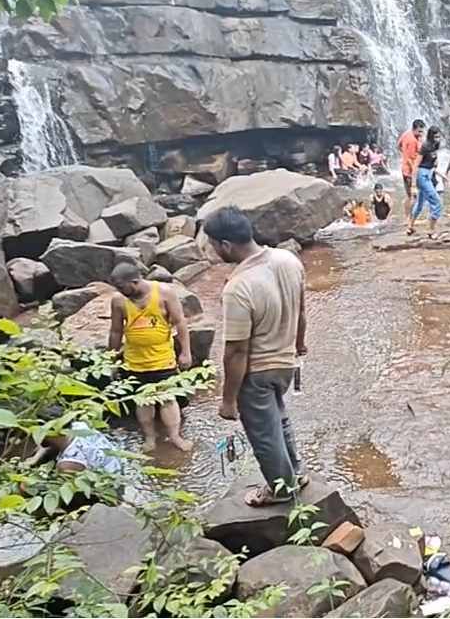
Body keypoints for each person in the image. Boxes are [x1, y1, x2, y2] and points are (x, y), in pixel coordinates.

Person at [205, 207, 309, 507]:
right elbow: (301, 311)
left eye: (213, 245)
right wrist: (299, 344)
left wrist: (227, 399)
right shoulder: (288, 260)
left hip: (258, 371)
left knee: (265, 434)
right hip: (286, 363)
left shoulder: (238, 288)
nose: (212, 251)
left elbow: (236, 351)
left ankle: (280, 490)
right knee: (279, 419)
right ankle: (295, 474)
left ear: (226, 245)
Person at [107, 263, 193, 453]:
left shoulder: (164, 292)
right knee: (142, 400)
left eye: (122, 287)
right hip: (135, 362)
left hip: (163, 359)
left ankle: (175, 436)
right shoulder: (119, 300)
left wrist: (186, 352)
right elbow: (115, 331)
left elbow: (180, 322)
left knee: (168, 399)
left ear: (135, 281)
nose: (120, 291)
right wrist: (110, 358)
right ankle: (149, 437)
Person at [407, 126, 444, 239]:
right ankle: (431, 230)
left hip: (429, 174)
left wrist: (442, 175)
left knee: (420, 203)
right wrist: (413, 185)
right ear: (431, 136)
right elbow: (416, 165)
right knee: (437, 202)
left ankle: (410, 226)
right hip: (422, 176)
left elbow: (432, 164)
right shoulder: (425, 146)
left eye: (439, 136)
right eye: (436, 136)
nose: (438, 138)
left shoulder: (435, 145)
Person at [398, 119, 425, 200]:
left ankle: (409, 211)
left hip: (404, 169)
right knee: (414, 196)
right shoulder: (413, 141)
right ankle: (411, 212)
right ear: (414, 129)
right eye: (419, 131)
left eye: (422, 131)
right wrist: (414, 174)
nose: (421, 133)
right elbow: (410, 159)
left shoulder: (406, 134)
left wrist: (404, 155)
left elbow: (398, 145)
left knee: (409, 195)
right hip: (410, 171)